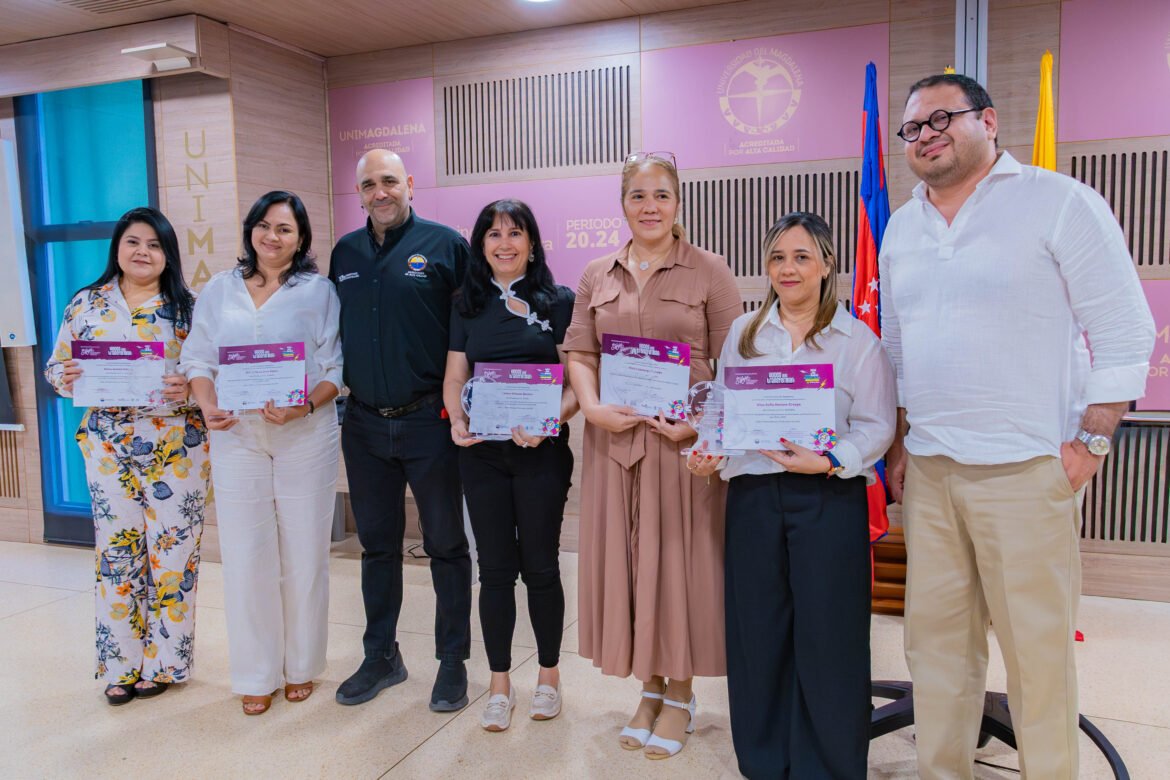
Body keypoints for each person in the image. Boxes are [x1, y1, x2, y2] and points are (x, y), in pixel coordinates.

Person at [880, 73, 1156, 778]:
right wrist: (906, 437)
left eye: (942, 118)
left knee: (1037, 659)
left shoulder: (1059, 203)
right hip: (934, 473)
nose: (926, 135)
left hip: (1028, 471)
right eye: (912, 127)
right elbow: (902, 348)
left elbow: (1125, 334)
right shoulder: (903, 225)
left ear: (990, 121)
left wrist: (1090, 442)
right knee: (935, 654)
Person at [689, 212, 896, 778]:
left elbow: (878, 427)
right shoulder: (744, 334)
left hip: (828, 498)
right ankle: (764, 759)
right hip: (754, 498)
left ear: (828, 265)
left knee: (830, 634)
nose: (788, 268)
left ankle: (827, 763)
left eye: (802, 257)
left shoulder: (858, 341)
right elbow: (724, 413)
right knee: (759, 630)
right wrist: (711, 450)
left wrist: (830, 460)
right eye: (778, 257)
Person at [563, 151, 742, 759]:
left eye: (661, 195)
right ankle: (649, 688)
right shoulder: (597, 274)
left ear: (678, 202)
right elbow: (580, 354)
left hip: (681, 447)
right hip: (613, 442)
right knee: (630, 568)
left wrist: (698, 428)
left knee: (678, 567)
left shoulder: (709, 272)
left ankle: (683, 692)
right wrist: (589, 407)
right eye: (638, 196)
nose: (650, 207)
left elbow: (734, 366)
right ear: (623, 204)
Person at [180, 191, 342, 715]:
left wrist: (302, 408)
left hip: (304, 435)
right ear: (251, 230)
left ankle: (301, 666)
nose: (274, 237)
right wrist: (206, 405)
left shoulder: (318, 291)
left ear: (302, 239)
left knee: (304, 554)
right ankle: (255, 671)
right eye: (265, 226)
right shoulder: (218, 289)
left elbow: (335, 370)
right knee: (247, 555)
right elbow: (198, 357)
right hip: (236, 436)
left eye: (286, 230)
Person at [45, 206, 209, 706]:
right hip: (108, 445)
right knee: (117, 555)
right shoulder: (86, 305)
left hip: (176, 446)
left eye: (155, 245)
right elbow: (56, 368)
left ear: (168, 254)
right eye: (134, 242)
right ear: (118, 246)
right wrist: (64, 376)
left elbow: (211, 376)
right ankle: (120, 665)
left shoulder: (189, 308)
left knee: (173, 557)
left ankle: (164, 663)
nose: (143, 252)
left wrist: (190, 386)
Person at [329, 149, 473, 712]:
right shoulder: (344, 252)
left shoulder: (445, 246)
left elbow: (471, 332)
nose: (380, 192)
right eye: (368, 184)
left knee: (445, 545)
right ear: (358, 192)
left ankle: (453, 661)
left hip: (429, 422)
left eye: (389, 181)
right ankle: (381, 656)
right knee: (377, 547)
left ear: (409, 184)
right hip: (363, 424)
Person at [442, 199, 578, 732]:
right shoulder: (465, 303)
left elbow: (575, 383)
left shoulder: (559, 301)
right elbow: (456, 376)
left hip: (542, 453)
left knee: (541, 567)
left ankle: (549, 676)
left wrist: (552, 420)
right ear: (480, 244)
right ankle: (499, 683)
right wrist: (457, 419)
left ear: (532, 242)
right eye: (493, 234)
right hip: (482, 455)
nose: (504, 243)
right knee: (494, 570)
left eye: (515, 233)